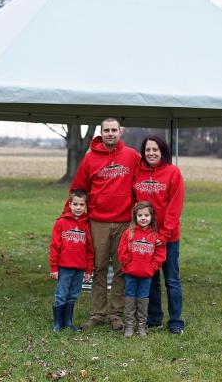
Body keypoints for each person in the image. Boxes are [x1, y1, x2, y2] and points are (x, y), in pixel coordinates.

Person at [68, 118, 141, 331]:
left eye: (114, 130)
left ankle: (116, 314)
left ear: (121, 132)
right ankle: (98, 313)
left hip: (124, 222)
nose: (110, 133)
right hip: (98, 221)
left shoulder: (131, 156)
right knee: (98, 267)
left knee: (121, 269)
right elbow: (78, 188)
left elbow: (140, 185)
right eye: (106, 130)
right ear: (100, 133)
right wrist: (68, 215)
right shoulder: (90, 159)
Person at [133, 135, 185, 334]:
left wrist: (164, 235)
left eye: (155, 149)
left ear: (162, 151)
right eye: (147, 150)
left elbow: (175, 207)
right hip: (146, 237)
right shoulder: (138, 173)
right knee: (151, 279)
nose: (151, 153)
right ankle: (154, 318)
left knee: (171, 279)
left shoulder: (173, 173)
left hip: (168, 238)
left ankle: (176, 321)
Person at [118, 201, 166, 338]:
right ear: (135, 217)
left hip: (146, 275)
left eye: (146, 215)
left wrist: (152, 268)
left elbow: (160, 255)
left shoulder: (154, 236)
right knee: (130, 297)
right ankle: (129, 325)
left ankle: (141, 325)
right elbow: (122, 250)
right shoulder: (129, 233)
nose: (143, 218)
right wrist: (128, 263)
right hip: (131, 273)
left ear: (151, 217)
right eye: (140, 215)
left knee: (143, 298)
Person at [49, 190, 94, 332]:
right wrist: (54, 268)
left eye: (81, 204)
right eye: (75, 204)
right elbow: (55, 246)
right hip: (64, 267)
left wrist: (89, 269)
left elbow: (90, 249)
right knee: (61, 294)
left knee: (73, 294)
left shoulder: (87, 224)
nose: (78, 207)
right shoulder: (61, 222)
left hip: (80, 268)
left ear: (86, 206)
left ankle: (68, 321)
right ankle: (57, 323)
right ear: (70, 204)